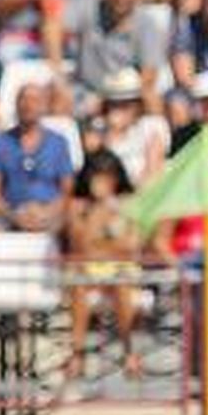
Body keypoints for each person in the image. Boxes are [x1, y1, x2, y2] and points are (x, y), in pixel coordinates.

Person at [66, 148, 142, 379]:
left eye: (108, 176)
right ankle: (76, 356)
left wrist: (102, 244)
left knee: (120, 282)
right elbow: (81, 245)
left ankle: (130, 352)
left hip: (119, 269)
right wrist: (100, 211)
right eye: (98, 176)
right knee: (79, 286)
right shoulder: (77, 207)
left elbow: (132, 244)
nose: (103, 182)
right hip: (88, 270)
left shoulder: (129, 203)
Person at [0, 84, 75, 238]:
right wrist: (14, 215)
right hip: (10, 213)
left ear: (44, 106)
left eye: (35, 100)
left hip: (49, 212)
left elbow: (67, 190)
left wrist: (47, 212)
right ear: (16, 105)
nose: (28, 105)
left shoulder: (58, 143)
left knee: (74, 226)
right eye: (24, 99)